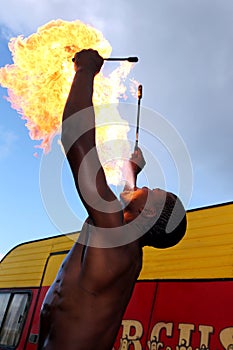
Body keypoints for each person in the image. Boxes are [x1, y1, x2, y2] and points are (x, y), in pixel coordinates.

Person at [37, 49, 186, 350]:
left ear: (150, 214)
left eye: (152, 192)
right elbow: (125, 208)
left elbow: (76, 138)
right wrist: (133, 173)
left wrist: (85, 71)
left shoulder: (114, 238)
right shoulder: (126, 246)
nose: (147, 188)